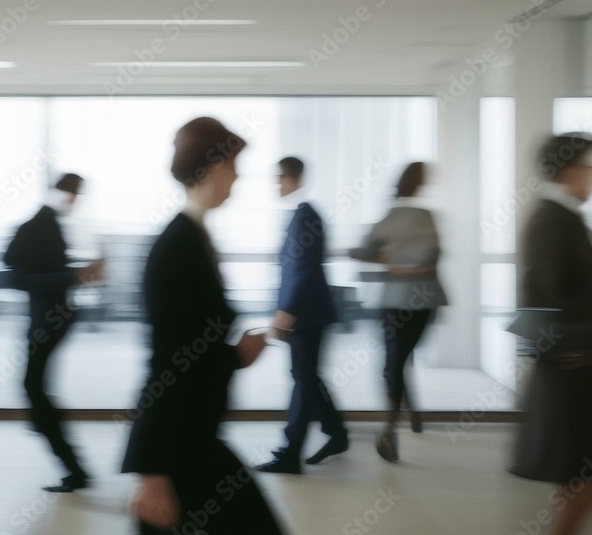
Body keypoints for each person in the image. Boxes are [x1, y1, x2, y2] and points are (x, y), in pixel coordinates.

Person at [123, 117, 285, 534]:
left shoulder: (194, 238)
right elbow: (166, 363)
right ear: (214, 167)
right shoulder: (177, 247)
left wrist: (233, 356)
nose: (237, 178)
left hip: (195, 438)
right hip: (181, 449)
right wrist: (153, 475)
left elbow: (191, 346)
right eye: (234, 166)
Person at [510, 133, 592, 535]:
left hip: (574, 369)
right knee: (581, 478)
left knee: (576, 477)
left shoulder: (566, 217)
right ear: (571, 169)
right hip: (570, 372)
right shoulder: (551, 220)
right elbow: (540, 297)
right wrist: (573, 348)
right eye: (589, 166)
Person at [3, 173, 105, 492]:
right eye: (74, 194)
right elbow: (17, 274)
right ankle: (54, 438)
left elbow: (20, 273)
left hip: (50, 323)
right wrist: (76, 277)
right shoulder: (40, 228)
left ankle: (73, 466)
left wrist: (77, 277)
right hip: (50, 322)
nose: (75, 201)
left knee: (35, 388)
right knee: (36, 388)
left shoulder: (49, 226)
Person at [349, 162, 447, 462]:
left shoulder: (395, 216)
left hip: (402, 301)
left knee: (395, 361)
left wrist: (390, 259)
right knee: (398, 360)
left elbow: (361, 252)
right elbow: (430, 255)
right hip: (418, 300)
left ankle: (393, 425)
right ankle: (401, 421)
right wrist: (410, 265)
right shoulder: (424, 217)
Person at [256, 156, 347, 475]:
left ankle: (290, 453)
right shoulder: (302, 214)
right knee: (307, 378)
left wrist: (287, 312)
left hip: (306, 314)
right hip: (309, 313)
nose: (275, 184)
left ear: (291, 177)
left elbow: (304, 270)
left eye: (278, 178)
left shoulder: (305, 215)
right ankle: (337, 434)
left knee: (303, 382)